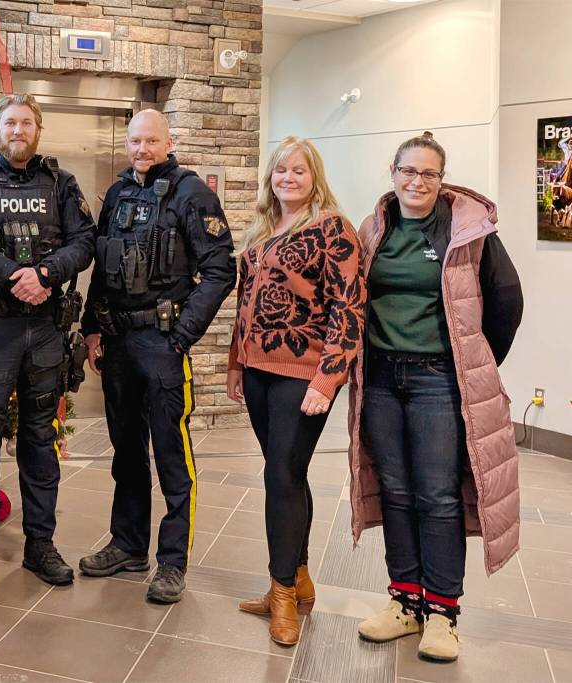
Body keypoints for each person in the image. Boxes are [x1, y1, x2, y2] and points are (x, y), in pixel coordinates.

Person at [349, 132, 523, 662]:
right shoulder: (374, 229)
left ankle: (443, 612)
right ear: (393, 172)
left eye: (429, 173)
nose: (417, 181)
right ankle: (405, 601)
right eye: (409, 171)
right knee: (396, 489)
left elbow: (506, 300)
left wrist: (473, 363)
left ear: (441, 179)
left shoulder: (468, 232)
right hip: (381, 379)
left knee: (438, 494)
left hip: (438, 381)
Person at [78, 109, 236, 604]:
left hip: (164, 343)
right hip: (119, 342)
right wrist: (90, 329)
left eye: (151, 141)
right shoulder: (118, 193)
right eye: (134, 141)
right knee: (126, 451)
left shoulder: (192, 193)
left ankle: (172, 561)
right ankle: (128, 545)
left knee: (171, 454)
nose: (142, 149)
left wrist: (183, 336)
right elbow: (102, 267)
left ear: (169, 142)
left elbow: (220, 271)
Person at [0, 93, 95, 588]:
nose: (18, 130)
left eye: (26, 122)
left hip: (46, 329)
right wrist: (14, 276)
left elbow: (85, 241)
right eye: (10, 122)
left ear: (38, 130)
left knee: (40, 440)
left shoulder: (61, 183)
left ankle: (40, 545)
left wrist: (45, 273)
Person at [226, 136, 366, 646]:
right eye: (280, 170)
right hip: (257, 370)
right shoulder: (263, 229)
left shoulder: (332, 228)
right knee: (288, 474)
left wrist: (328, 379)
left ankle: (281, 591)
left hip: (302, 374)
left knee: (280, 475)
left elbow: (349, 308)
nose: (288, 177)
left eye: (298, 170)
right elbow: (246, 300)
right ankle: (299, 577)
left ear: (315, 178)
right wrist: (236, 362)